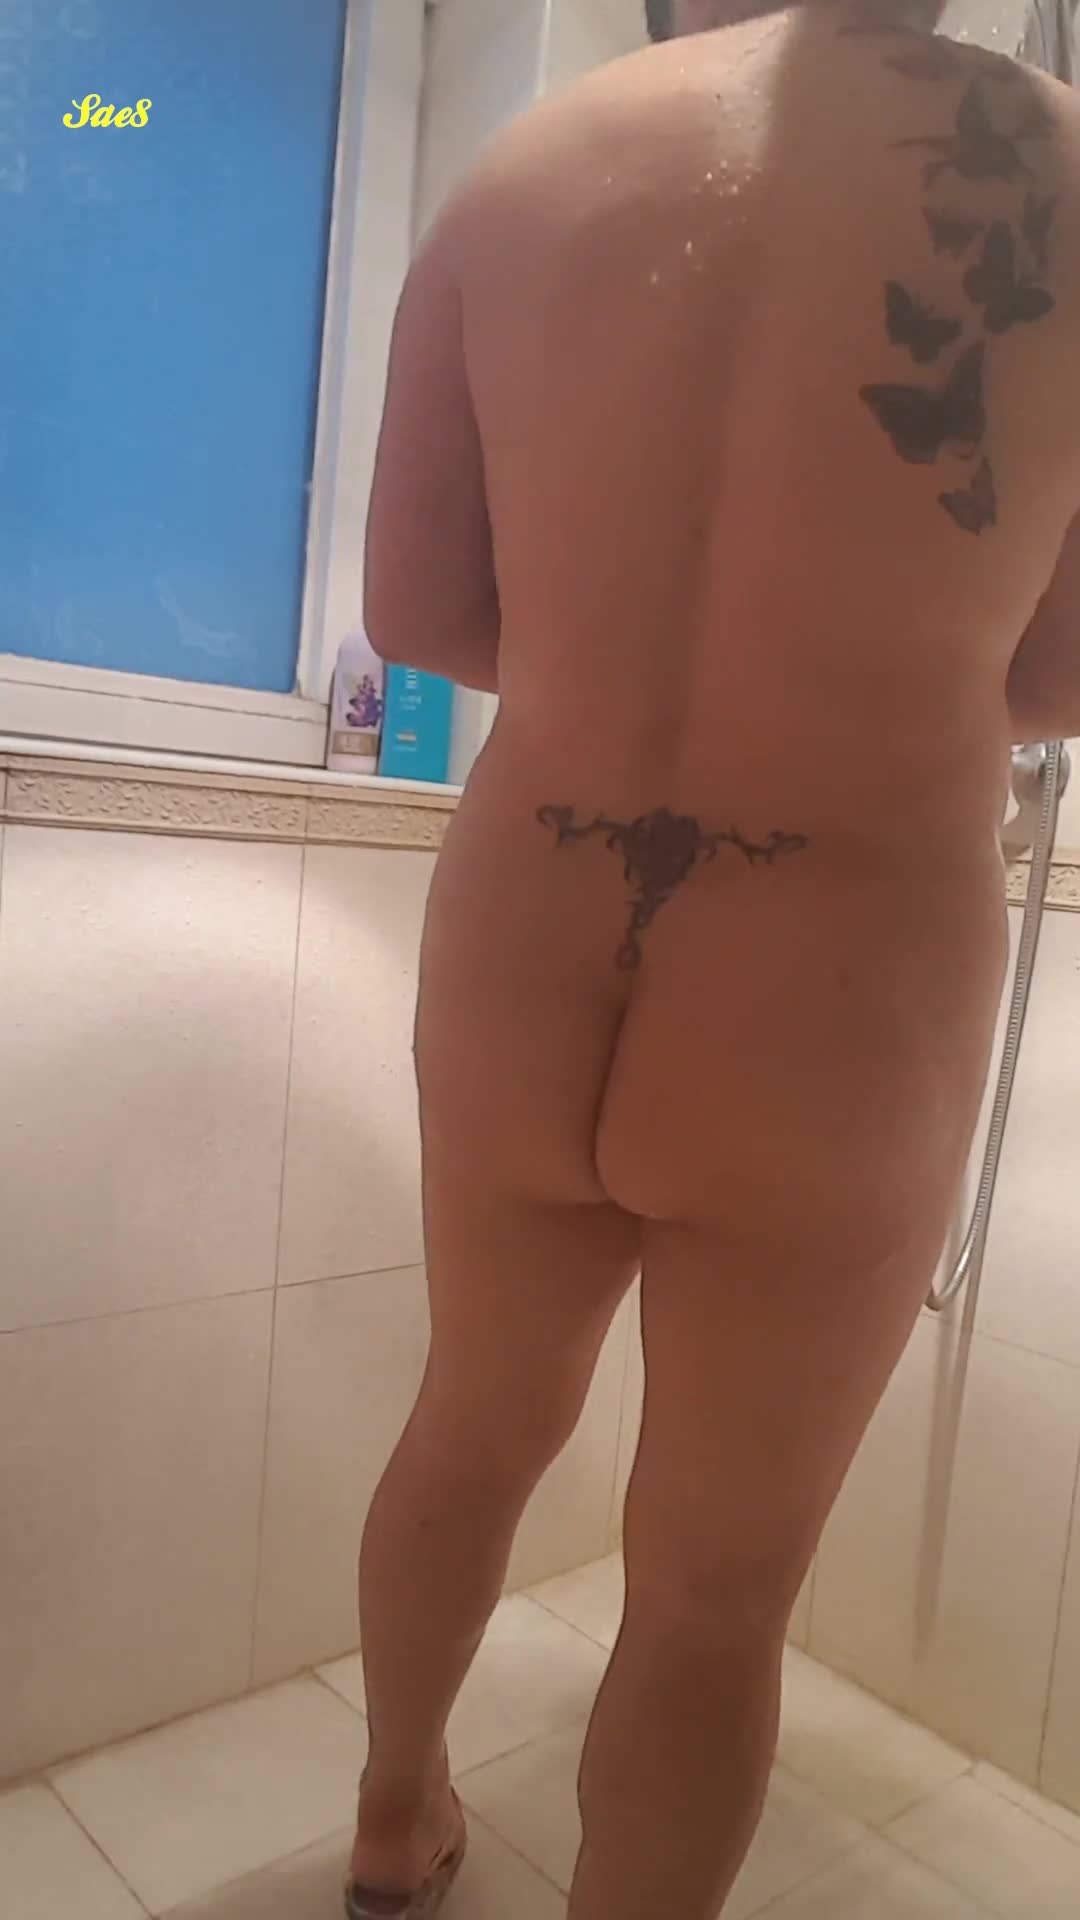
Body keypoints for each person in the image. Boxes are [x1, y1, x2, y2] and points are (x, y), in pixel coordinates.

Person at [346, 3, 1080, 1915]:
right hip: (840, 980)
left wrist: (616, 658)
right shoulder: (1066, 175)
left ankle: (393, 1819)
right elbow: (1060, 675)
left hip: (527, 922)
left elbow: (418, 607)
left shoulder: (529, 166)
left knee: (466, 1428)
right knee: (711, 1593)